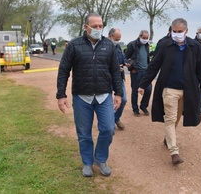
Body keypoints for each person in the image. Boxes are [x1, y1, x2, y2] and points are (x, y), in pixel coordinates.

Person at [56, 13, 123, 177]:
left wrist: (119, 93)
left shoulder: (109, 46)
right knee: (84, 133)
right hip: (81, 97)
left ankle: (100, 158)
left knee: (108, 129)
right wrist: (61, 95)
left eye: (101, 26)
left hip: (104, 96)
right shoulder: (74, 45)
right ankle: (87, 162)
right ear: (86, 27)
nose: (98, 29)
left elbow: (115, 71)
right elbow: (64, 70)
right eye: (95, 26)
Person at [138, 18, 201, 165]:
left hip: (188, 90)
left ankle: (168, 138)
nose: (177, 34)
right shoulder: (165, 46)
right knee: (170, 119)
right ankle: (174, 152)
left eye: (180, 32)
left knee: (176, 118)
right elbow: (154, 66)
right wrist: (143, 84)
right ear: (171, 31)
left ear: (187, 31)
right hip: (169, 88)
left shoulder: (194, 47)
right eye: (174, 31)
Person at [125, 30, 152, 117]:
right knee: (135, 91)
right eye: (144, 38)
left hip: (146, 72)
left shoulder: (147, 45)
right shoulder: (132, 45)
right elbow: (125, 58)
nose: (145, 39)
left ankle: (143, 106)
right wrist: (131, 67)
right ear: (139, 36)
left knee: (148, 89)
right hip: (136, 72)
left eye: (147, 38)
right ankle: (135, 109)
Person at [108, 28, 126, 130]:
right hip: (107, 78)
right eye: (116, 39)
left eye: (119, 39)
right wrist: (114, 67)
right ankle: (108, 123)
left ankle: (116, 118)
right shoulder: (103, 46)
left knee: (123, 99)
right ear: (110, 36)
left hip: (119, 78)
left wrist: (126, 63)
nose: (117, 41)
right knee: (107, 102)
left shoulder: (118, 46)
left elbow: (122, 59)